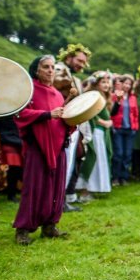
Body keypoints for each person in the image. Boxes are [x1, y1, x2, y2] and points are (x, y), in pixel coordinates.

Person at [13, 55, 74, 245]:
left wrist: (73, 119)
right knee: (34, 187)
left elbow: (63, 118)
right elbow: (20, 113)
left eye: (53, 67)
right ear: (36, 69)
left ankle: (50, 226)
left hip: (58, 146)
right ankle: (23, 229)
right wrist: (47, 114)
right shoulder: (29, 90)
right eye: (46, 67)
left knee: (56, 188)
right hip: (37, 145)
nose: (50, 70)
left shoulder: (57, 93)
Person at [54, 43, 92, 213]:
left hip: (72, 127)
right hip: (60, 125)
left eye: (84, 63)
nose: (81, 65)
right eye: (79, 61)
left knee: (69, 164)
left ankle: (61, 200)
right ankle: (56, 201)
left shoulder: (73, 77)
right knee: (63, 164)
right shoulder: (58, 71)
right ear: (68, 57)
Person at [76, 72, 113, 197]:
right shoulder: (94, 96)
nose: (106, 84)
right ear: (96, 84)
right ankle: (85, 189)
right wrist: (104, 122)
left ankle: (95, 187)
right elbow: (90, 113)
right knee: (93, 158)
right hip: (95, 131)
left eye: (108, 82)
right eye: (103, 82)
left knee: (100, 159)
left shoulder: (104, 96)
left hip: (102, 133)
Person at [110, 75, 139, 186]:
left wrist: (135, 127)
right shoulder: (114, 96)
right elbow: (112, 112)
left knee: (127, 154)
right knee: (118, 154)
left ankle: (124, 177)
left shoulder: (133, 98)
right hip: (118, 128)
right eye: (125, 83)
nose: (127, 86)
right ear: (121, 84)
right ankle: (115, 177)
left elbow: (136, 114)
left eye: (129, 84)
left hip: (130, 129)